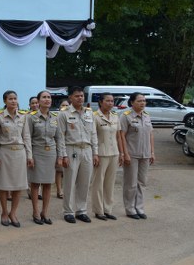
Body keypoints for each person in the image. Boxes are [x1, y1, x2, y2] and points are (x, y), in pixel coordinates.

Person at [57, 87, 99, 224]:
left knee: (85, 182)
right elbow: (61, 136)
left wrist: (95, 153)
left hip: (87, 149)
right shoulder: (64, 113)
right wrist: (63, 155)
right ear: (70, 98)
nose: (80, 98)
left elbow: (93, 134)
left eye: (81, 96)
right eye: (77, 96)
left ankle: (81, 210)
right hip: (71, 149)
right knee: (69, 182)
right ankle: (68, 211)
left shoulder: (89, 113)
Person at [0, 90, 32, 228]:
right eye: (10, 99)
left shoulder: (23, 116)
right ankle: (4, 212)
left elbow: (26, 136)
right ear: (5, 101)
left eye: (15, 98)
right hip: (5, 152)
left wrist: (29, 155)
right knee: (4, 185)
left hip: (20, 152)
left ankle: (13, 213)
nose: (13, 101)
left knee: (18, 185)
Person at [26, 91, 62, 225]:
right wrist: (29, 156)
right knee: (35, 184)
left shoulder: (55, 118)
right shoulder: (31, 117)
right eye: (44, 97)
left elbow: (59, 138)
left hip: (51, 153)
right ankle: (35, 211)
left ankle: (44, 212)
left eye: (49, 97)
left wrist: (60, 155)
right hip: (37, 152)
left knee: (48, 184)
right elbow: (27, 137)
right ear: (39, 100)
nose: (47, 100)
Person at [120, 92, 154, 220]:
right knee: (131, 183)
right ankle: (130, 209)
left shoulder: (146, 116)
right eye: (139, 101)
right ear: (132, 102)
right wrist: (124, 153)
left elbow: (151, 134)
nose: (142, 103)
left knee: (142, 182)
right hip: (132, 154)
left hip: (145, 154)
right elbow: (121, 135)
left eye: (144, 101)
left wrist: (152, 152)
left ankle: (139, 208)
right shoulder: (126, 116)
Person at [91, 92, 123, 221]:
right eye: (108, 101)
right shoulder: (95, 116)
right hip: (101, 153)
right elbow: (93, 136)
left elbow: (118, 136)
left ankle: (108, 209)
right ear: (101, 102)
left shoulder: (115, 116)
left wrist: (121, 153)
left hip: (114, 153)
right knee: (98, 183)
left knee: (110, 183)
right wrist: (95, 154)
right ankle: (99, 211)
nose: (110, 103)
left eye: (112, 101)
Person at [55, 98, 70, 199]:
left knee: (68, 170)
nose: (64, 107)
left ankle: (66, 190)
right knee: (59, 170)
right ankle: (59, 190)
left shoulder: (71, 116)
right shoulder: (55, 116)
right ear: (59, 107)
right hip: (58, 145)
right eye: (63, 105)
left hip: (69, 145)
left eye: (66, 105)